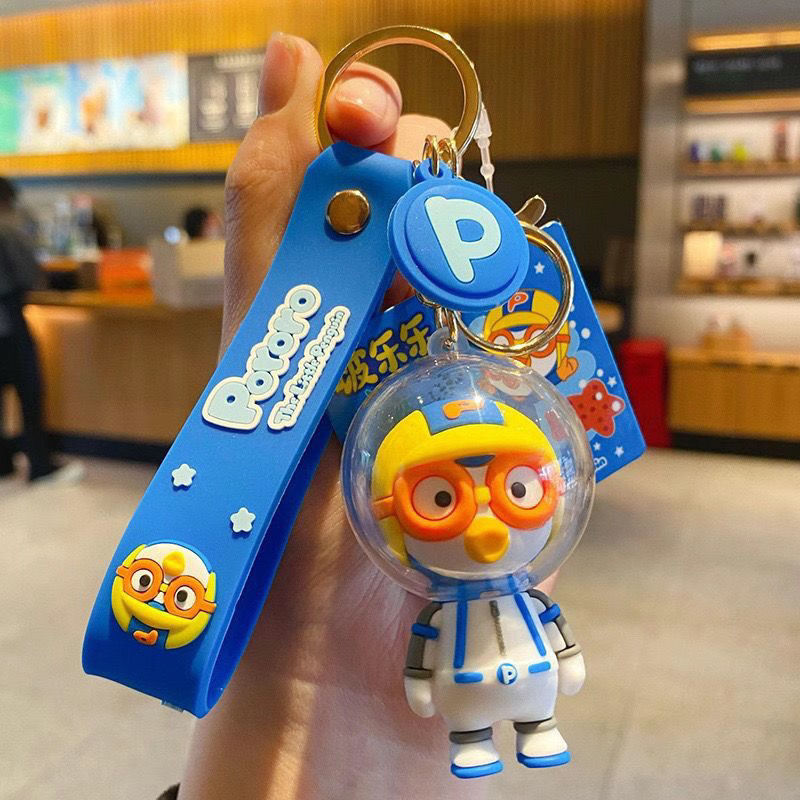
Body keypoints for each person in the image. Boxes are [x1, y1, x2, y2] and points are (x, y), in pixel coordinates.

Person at [169, 34, 557, 800]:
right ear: (387, 501)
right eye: (441, 497)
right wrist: (290, 693)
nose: (485, 521)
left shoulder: (509, 578)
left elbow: (543, 634)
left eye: (515, 487)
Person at [0, 177, 83, 483]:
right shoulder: (8, 228)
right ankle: (39, 463)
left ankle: (3, 462)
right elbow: (30, 275)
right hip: (8, 321)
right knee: (29, 390)